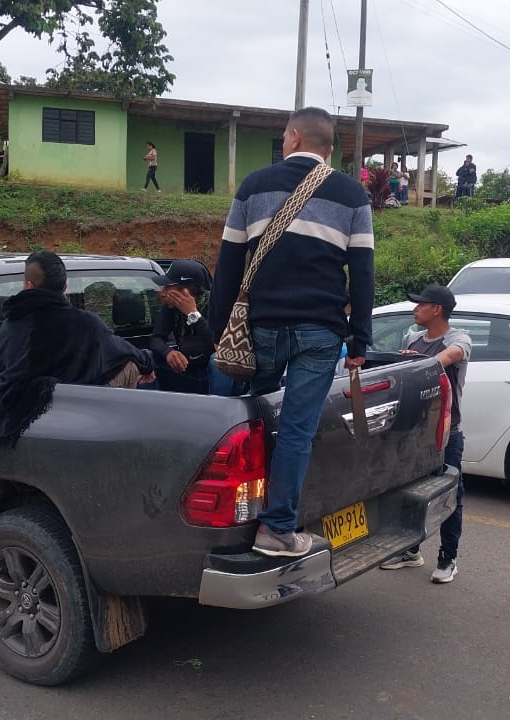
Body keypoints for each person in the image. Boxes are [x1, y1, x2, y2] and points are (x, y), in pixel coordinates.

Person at [211, 106, 374, 558]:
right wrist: (360, 338)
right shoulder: (352, 196)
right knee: (297, 431)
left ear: (296, 136)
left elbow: (227, 267)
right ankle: (277, 527)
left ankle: (243, 514)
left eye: (284, 137)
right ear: (329, 148)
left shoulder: (253, 185)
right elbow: (362, 273)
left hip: (260, 328)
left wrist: (217, 329)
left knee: (255, 422)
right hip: (321, 332)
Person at [0, 251, 156, 449]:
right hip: (76, 403)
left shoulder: (9, 324)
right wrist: (147, 363)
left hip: (16, 410)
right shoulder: (86, 324)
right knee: (131, 363)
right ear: (65, 287)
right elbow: (122, 349)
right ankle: (119, 432)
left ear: (28, 284)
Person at [379, 284, 470, 583]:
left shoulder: (457, 339)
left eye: (421, 305)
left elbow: (450, 357)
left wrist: (416, 361)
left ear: (437, 310)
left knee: (449, 496)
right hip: (413, 434)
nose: (415, 309)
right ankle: (410, 550)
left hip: (445, 434)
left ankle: (448, 558)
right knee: (410, 495)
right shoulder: (413, 338)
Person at [149, 259, 215, 395]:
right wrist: (167, 352)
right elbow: (156, 338)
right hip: (185, 368)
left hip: (208, 372)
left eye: (168, 287)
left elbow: (215, 342)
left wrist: (193, 314)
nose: (162, 292)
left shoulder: (214, 304)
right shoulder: (171, 307)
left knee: (216, 361)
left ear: (186, 291)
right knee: (146, 357)